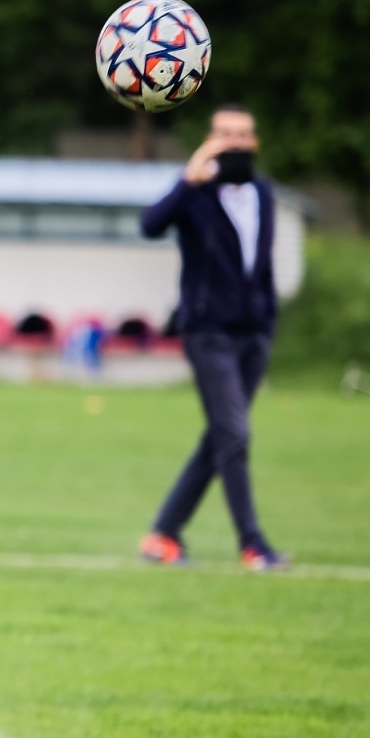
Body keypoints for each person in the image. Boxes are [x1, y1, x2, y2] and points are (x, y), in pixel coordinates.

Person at [137, 104, 287, 570]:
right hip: (208, 333)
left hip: (253, 334)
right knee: (234, 434)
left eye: (243, 134)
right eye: (224, 134)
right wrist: (187, 180)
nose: (235, 142)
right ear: (209, 140)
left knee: (222, 438)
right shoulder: (194, 195)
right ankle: (252, 544)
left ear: (255, 142)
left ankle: (162, 535)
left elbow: (261, 268)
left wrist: (267, 321)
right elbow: (149, 226)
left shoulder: (263, 193)